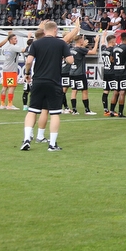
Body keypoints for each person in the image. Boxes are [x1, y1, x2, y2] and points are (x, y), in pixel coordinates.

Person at [20, 20, 79, 152]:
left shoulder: (36, 43)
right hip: (53, 82)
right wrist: (63, 57)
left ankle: (26, 140)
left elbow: (29, 61)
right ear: (55, 30)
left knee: (32, 110)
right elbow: (70, 60)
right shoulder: (60, 43)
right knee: (54, 113)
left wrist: (27, 73)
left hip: (38, 81)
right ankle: (52, 145)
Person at [67, 32, 101, 115]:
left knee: (74, 91)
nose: (84, 41)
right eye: (82, 39)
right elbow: (93, 52)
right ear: (80, 41)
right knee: (84, 91)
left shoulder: (71, 49)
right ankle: (87, 110)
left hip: (72, 72)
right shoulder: (81, 49)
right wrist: (96, 42)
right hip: (79, 73)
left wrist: (83, 46)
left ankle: (74, 110)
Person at [0, 31, 27, 109]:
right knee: (11, 87)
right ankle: (10, 105)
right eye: (14, 39)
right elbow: (24, 50)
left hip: (5, 70)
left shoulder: (6, 47)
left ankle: (2, 104)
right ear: (10, 40)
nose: (16, 40)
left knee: (4, 87)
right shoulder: (13, 47)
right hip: (11, 71)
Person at [109, 32, 126, 117]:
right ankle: (120, 112)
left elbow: (111, 59)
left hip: (116, 72)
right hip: (125, 72)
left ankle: (111, 111)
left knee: (115, 91)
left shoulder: (115, 48)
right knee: (122, 92)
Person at [100, 33, 116, 115]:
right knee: (115, 91)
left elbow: (102, 42)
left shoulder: (104, 49)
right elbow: (111, 60)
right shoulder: (112, 50)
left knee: (106, 91)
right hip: (112, 72)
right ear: (112, 42)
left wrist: (103, 35)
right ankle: (112, 110)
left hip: (105, 72)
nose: (115, 43)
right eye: (115, 41)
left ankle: (106, 109)